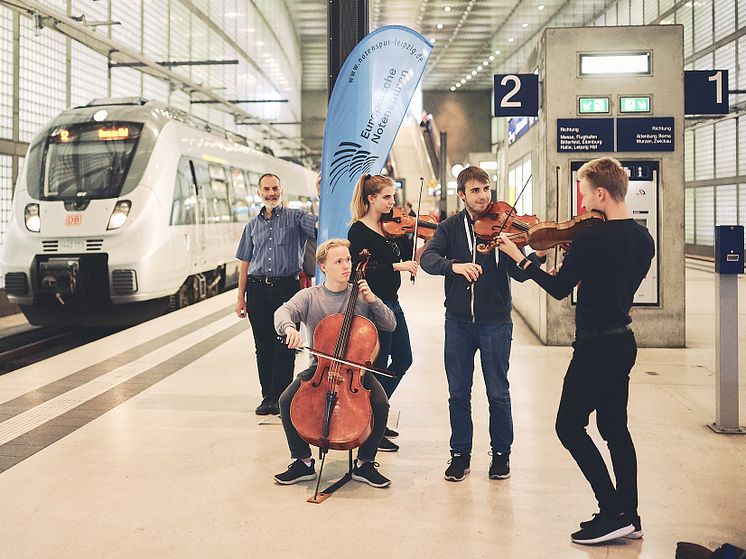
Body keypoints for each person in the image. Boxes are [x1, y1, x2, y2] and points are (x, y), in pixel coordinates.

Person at [495, 157, 654, 545]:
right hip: (622, 341)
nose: (581, 206)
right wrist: (578, 252)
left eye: (584, 195)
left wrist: (522, 259)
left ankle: (612, 509)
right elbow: (608, 277)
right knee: (615, 429)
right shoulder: (643, 238)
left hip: (596, 345)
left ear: (601, 193)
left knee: (568, 426)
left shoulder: (592, 239)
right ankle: (630, 515)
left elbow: (560, 287)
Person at [420, 166, 544, 482]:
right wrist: (455, 266)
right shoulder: (449, 228)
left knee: (498, 392)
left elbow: (519, 273)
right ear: (462, 195)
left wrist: (537, 255)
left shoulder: (505, 227)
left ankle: (501, 454)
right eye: (475, 190)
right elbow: (427, 259)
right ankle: (460, 455)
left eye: (486, 189)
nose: (483, 196)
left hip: (496, 323)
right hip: (458, 323)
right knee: (458, 392)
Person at [273, 238, 396, 488]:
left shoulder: (361, 295)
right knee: (285, 400)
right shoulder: (310, 296)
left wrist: (373, 300)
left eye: (348, 260)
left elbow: (390, 324)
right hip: (321, 367)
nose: (346, 266)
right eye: (338, 261)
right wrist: (289, 329)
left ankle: (365, 463)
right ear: (323, 267)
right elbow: (282, 312)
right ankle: (303, 461)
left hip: (355, 370)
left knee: (381, 403)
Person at [234, 173, 318, 416]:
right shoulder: (252, 225)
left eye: (275, 188)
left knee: (285, 344)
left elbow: (320, 225)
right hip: (257, 289)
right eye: (266, 189)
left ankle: (283, 398)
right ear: (259, 192)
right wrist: (241, 297)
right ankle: (267, 397)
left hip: (287, 289)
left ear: (282, 190)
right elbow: (245, 262)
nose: (271, 193)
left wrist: (322, 194)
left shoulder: (297, 218)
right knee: (263, 346)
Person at [348, 174, 418, 452]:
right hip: (374, 307)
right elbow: (359, 271)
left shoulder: (388, 227)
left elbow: (402, 252)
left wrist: (410, 238)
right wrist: (397, 268)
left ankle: (376, 413)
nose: (393, 202)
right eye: (387, 197)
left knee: (404, 359)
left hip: (393, 302)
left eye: (393, 196)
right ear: (371, 199)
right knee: (377, 368)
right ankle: (373, 423)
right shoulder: (358, 231)